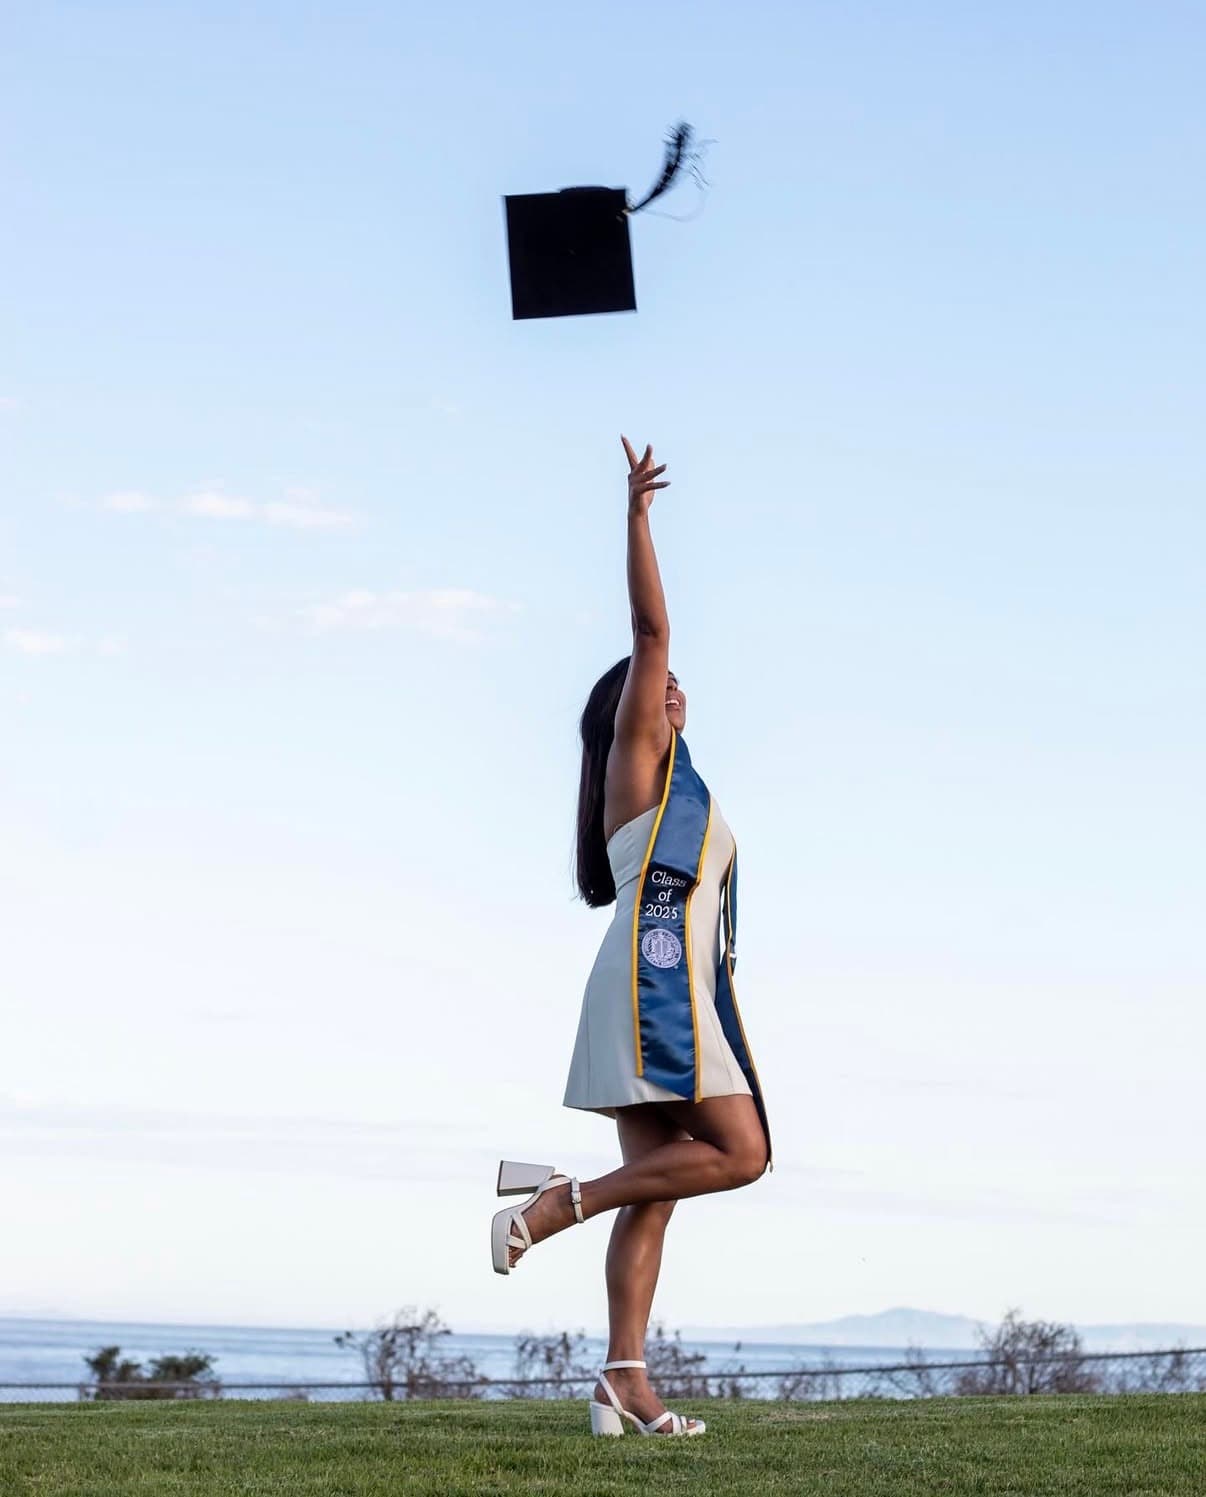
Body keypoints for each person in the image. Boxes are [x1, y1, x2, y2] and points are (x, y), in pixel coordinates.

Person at [489, 436, 772, 1439]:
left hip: (654, 985)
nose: (674, 686)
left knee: (658, 1194)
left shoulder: (676, 784)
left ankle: (624, 1382)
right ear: (634, 707)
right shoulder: (639, 757)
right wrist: (638, 516)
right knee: (742, 1153)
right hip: (653, 993)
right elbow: (652, 625)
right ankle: (560, 1202)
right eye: (660, 682)